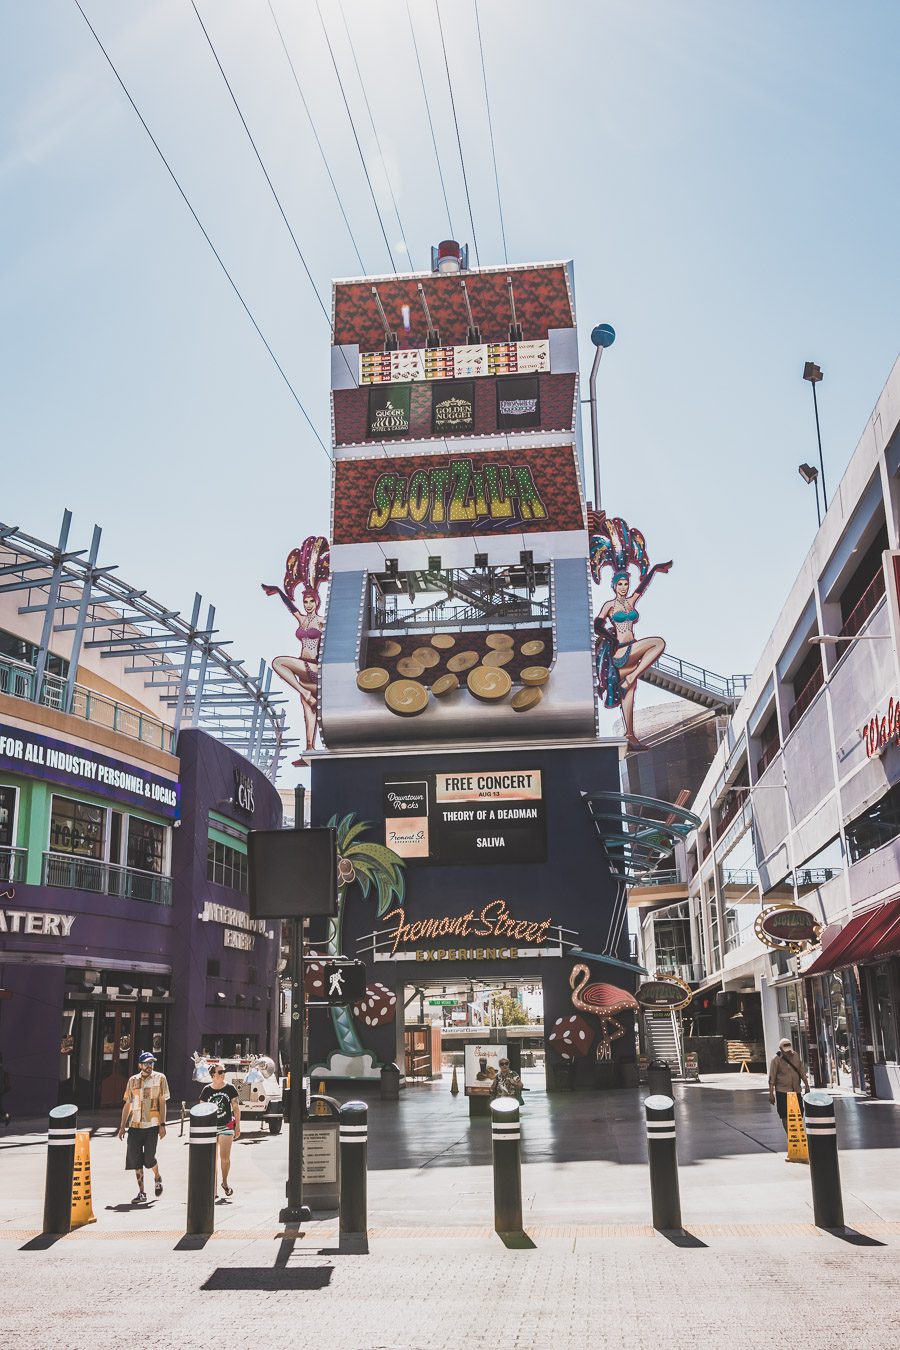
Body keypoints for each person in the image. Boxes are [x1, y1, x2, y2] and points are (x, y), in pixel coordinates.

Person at [588, 511, 672, 751]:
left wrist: (655, 568)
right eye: (621, 584)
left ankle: (630, 735)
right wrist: (610, 636)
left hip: (629, 654)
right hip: (622, 651)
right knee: (658, 643)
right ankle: (632, 679)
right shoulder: (610, 605)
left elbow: (643, 587)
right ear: (614, 586)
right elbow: (597, 624)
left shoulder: (631, 602)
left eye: (626, 583)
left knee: (629, 694)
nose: (624, 587)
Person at [262, 536, 330, 755]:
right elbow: (289, 606)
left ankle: (305, 691)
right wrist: (278, 591)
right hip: (304, 672)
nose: (308, 604)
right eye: (306, 601)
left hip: (311, 665)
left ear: (317, 601)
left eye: (311, 601)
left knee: (278, 662)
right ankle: (310, 748)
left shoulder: (321, 621)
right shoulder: (302, 620)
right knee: (308, 708)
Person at [118, 1050, 169, 1204]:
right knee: (136, 1160)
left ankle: (157, 1177)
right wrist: (122, 1126)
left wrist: (162, 1124)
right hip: (135, 1125)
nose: (149, 1066)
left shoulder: (160, 1078)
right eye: (146, 1063)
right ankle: (141, 1192)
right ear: (140, 1065)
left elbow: (162, 1101)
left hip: (152, 1125)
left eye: (151, 1063)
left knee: (149, 1159)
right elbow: (127, 1104)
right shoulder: (132, 1081)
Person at [200, 1064, 241, 1198]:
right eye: (220, 1072)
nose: (223, 1074)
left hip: (227, 1125)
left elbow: (235, 1107)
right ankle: (213, 1188)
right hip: (211, 1127)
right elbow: (202, 1110)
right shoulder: (206, 1090)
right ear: (213, 1075)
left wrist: (238, 1126)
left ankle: (224, 1181)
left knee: (224, 1158)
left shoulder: (230, 1088)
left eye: (224, 1071)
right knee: (212, 1159)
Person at [768, 1037, 809, 1134]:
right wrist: (771, 1093)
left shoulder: (795, 1056)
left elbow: (802, 1071)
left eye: (789, 1050)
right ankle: (789, 1135)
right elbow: (772, 1077)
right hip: (782, 1091)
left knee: (799, 1113)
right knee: (785, 1115)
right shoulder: (776, 1059)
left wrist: (807, 1085)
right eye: (785, 1051)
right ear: (781, 1049)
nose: (788, 1052)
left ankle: (797, 1133)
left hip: (796, 1090)